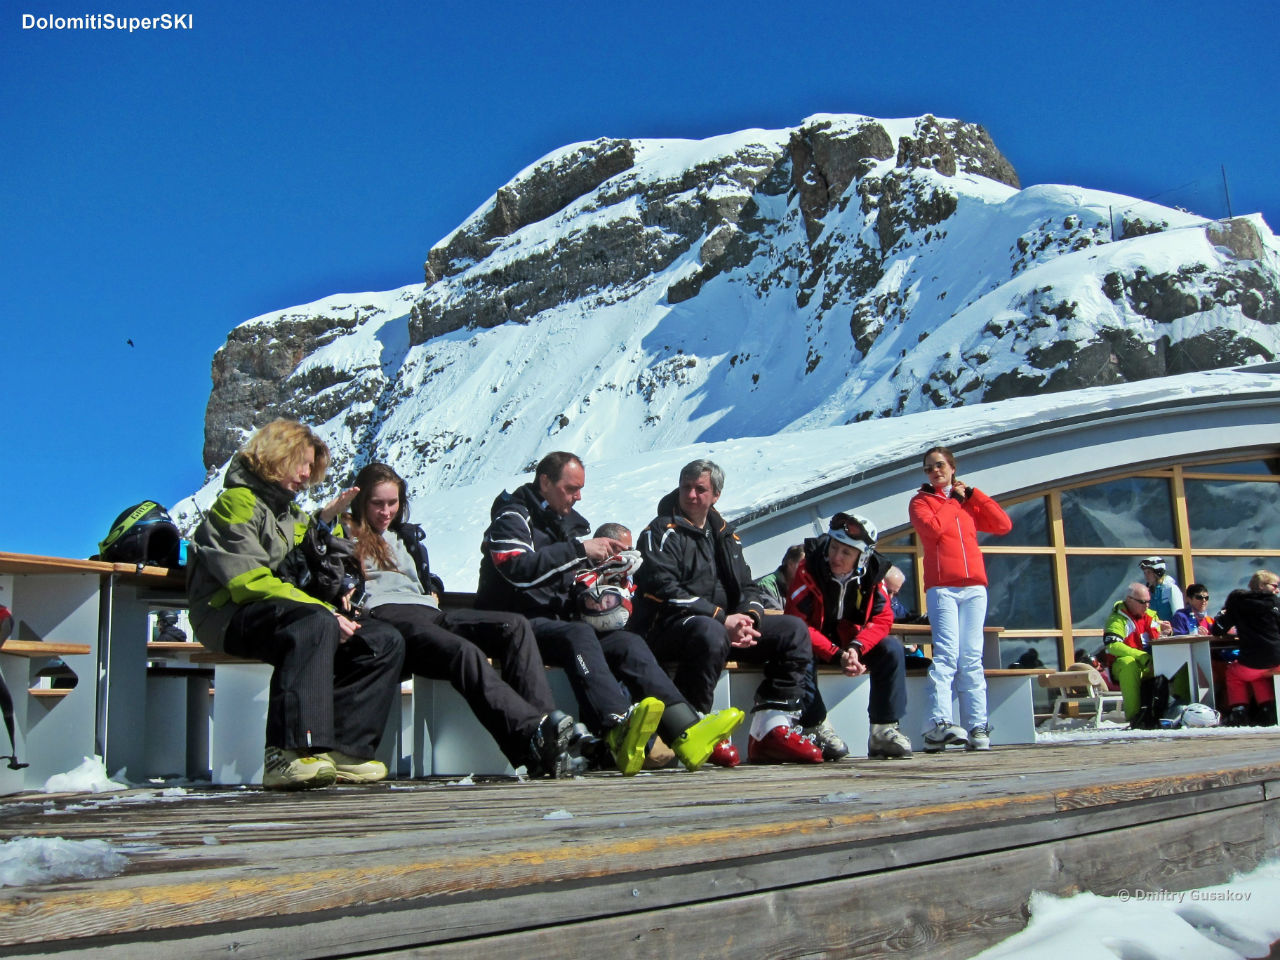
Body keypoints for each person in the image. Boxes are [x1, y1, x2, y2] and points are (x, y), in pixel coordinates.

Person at [477, 451, 743, 775]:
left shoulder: (561, 523)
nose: (578, 497)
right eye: (571, 488)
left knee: (626, 642)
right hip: (514, 621)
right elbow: (515, 567)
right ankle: (616, 727)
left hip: (558, 620)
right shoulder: (513, 517)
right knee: (579, 633)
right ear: (545, 482)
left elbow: (565, 578)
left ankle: (685, 729)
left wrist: (605, 575)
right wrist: (579, 551)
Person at [186, 420, 404, 790]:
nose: (306, 475)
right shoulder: (236, 503)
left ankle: (343, 749)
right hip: (228, 614)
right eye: (300, 464)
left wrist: (327, 527)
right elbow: (246, 580)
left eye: (310, 468)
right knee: (315, 623)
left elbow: (314, 554)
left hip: (284, 612)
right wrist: (324, 611)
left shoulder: (290, 514)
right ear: (275, 457)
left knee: (384, 639)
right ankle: (285, 753)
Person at [345, 462, 581, 778]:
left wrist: (433, 588)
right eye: (377, 503)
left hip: (429, 613)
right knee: (463, 651)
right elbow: (326, 567)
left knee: (514, 625)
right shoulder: (345, 531)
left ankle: (545, 736)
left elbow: (419, 576)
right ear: (361, 501)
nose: (386, 511)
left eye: (393, 502)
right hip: (387, 616)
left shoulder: (403, 537)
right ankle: (534, 730)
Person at [635, 459, 821, 765]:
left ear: (716, 495)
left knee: (793, 630)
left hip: (722, 627)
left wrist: (749, 619)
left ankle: (770, 730)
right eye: (686, 488)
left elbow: (748, 587)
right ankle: (693, 729)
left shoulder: (726, 535)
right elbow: (661, 589)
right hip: (667, 628)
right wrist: (722, 618)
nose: (691, 495)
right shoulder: (660, 531)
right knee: (709, 630)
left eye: (700, 489)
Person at [785, 512, 913, 760]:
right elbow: (797, 622)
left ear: (862, 556)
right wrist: (836, 654)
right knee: (799, 648)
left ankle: (883, 730)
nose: (836, 557)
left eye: (846, 553)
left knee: (891, 649)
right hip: (816, 643)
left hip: (849, 643)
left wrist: (856, 648)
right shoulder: (808, 567)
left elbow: (883, 617)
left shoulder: (874, 573)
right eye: (834, 547)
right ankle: (816, 726)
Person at [908, 445, 1011, 752]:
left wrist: (975, 495)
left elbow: (1003, 525)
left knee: (971, 658)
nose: (934, 471)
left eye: (939, 465)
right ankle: (938, 723)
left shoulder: (965, 502)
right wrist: (953, 500)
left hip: (974, 587)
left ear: (952, 467)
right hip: (942, 588)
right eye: (928, 468)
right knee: (947, 656)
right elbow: (935, 530)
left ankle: (977, 725)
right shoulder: (920, 502)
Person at [1212, 570, 1280, 726]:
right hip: (1277, 660)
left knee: (1235, 673)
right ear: (1262, 586)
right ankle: (1268, 710)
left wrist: (1223, 616)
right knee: (1259, 675)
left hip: (1253, 661)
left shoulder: (1239, 603)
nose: (1277, 590)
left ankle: (1239, 712)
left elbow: (1218, 629)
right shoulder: (1276, 604)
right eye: (1275, 585)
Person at [1101, 581, 1168, 723]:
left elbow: (1158, 635)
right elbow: (1113, 646)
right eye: (1142, 602)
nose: (1147, 606)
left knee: (1179, 660)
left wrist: (1167, 632)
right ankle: (1135, 717)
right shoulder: (1117, 619)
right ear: (1129, 600)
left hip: (1150, 662)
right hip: (1125, 665)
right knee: (1128, 663)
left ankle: (1179, 708)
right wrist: (1142, 656)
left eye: (1149, 602)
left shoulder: (1151, 616)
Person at [755, 545, 803, 611]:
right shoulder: (766, 585)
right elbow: (776, 615)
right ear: (790, 564)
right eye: (803, 564)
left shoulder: (805, 584)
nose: (807, 569)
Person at [1139, 557, 1184, 623]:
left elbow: (1179, 615)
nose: (1146, 576)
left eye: (1148, 572)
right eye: (1144, 573)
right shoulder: (1147, 591)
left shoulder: (1171, 588)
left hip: (1170, 631)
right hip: (1153, 631)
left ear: (1158, 572)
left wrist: (1170, 630)